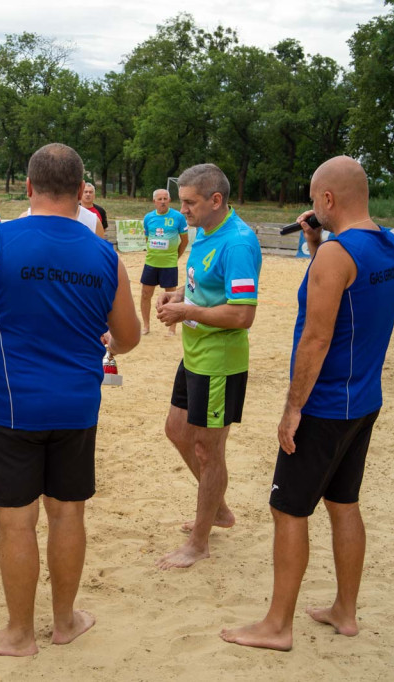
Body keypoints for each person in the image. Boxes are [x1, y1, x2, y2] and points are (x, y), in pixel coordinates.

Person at [0, 143, 141, 657]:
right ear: (80, 192)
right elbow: (130, 336)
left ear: (27, 189)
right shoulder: (104, 255)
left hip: (12, 406)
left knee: (16, 521)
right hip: (77, 407)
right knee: (69, 514)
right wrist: (108, 341)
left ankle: (20, 632)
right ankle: (66, 620)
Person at [221, 155, 394, 651]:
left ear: (327, 199)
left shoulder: (335, 257)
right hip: (364, 396)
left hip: (325, 404)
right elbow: (354, 298)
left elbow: (317, 338)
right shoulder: (385, 244)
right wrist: (318, 242)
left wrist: (292, 407)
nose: (310, 206)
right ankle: (345, 611)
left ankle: (277, 625)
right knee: (344, 504)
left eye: (313, 198)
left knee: (288, 509)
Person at [154, 163, 262, 569]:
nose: (184, 211)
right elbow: (206, 285)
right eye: (181, 202)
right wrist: (178, 293)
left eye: (190, 203)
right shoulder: (206, 232)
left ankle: (200, 543)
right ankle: (218, 508)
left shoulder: (237, 243)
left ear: (217, 200)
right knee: (176, 429)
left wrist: (186, 311)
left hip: (220, 362)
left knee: (207, 448)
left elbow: (241, 315)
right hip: (195, 354)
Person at [140, 188, 188, 335]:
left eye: (165, 199)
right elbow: (148, 239)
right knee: (145, 294)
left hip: (169, 264)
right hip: (151, 262)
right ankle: (146, 326)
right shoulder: (148, 218)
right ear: (154, 201)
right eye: (159, 199)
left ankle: (172, 327)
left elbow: (184, 241)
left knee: (172, 296)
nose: (162, 202)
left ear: (169, 200)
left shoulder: (178, 217)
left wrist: (175, 256)